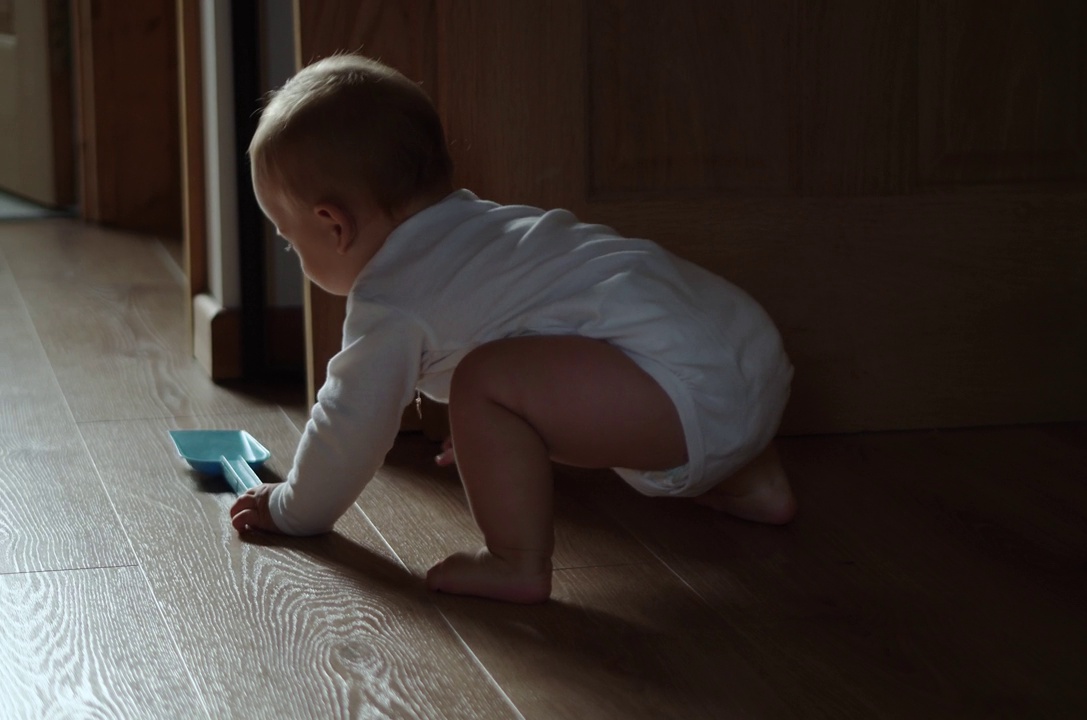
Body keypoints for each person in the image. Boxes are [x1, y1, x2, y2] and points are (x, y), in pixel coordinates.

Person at [229, 53, 796, 604]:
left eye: (288, 238)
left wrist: (292, 509)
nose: (291, 251)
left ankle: (516, 561)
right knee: (505, 388)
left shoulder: (392, 298)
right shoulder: (490, 231)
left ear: (333, 225)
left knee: (484, 383)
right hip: (751, 349)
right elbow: (561, 360)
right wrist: (491, 441)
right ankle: (755, 482)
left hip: (685, 393)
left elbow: (350, 422)